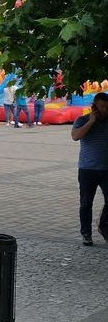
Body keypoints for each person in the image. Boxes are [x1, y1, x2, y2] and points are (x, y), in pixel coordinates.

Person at [71, 92, 108, 246]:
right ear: (95, 107)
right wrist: (91, 122)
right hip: (88, 169)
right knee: (86, 203)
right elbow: (75, 136)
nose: (106, 110)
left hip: (106, 170)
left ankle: (104, 226)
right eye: (103, 107)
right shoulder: (82, 120)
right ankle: (86, 233)